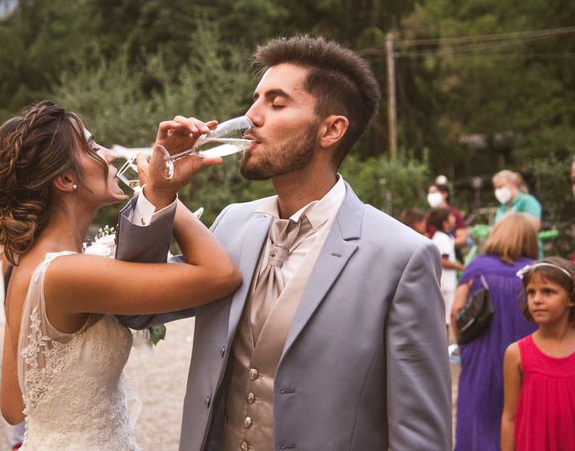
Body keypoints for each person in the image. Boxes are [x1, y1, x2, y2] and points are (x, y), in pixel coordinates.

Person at [119, 36, 451, 450]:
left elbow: (420, 435)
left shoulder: (401, 256)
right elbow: (138, 308)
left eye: (276, 104)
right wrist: (158, 194)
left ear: (331, 129)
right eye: (255, 100)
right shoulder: (233, 224)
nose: (251, 117)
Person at [0, 101, 240, 449]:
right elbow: (220, 275)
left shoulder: (29, 268)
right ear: (66, 179)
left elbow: (13, 406)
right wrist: (164, 190)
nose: (110, 155)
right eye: (92, 146)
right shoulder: (66, 274)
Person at [450, 213, 539, 451]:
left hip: (481, 355)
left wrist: (465, 347)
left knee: (477, 419)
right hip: (526, 356)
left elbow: (456, 310)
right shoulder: (534, 272)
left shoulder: (477, 267)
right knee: (517, 418)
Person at [501, 257, 575, 451]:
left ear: (571, 299)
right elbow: (509, 417)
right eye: (531, 292)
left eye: (548, 291)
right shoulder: (516, 353)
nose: (537, 299)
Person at [429, 207, 463, 338]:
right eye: (451, 217)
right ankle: (446, 348)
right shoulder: (443, 238)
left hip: (442, 283)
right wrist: (462, 268)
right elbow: (444, 261)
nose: (454, 218)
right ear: (445, 223)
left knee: (443, 317)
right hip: (447, 285)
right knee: (447, 318)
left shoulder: (440, 237)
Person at [426, 182, 469, 248]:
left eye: (434, 192)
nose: (431, 195)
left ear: (445, 194)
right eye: (430, 193)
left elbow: (462, 238)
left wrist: (445, 244)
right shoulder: (428, 217)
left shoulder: (454, 213)